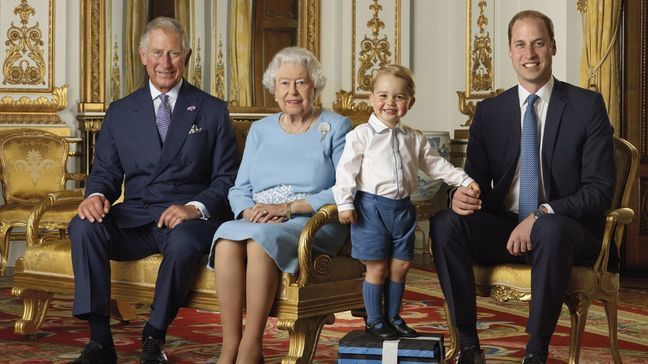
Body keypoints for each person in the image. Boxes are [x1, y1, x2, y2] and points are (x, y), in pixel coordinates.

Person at [429, 10, 616, 364]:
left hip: (567, 230)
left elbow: (599, 190)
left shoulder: (586, 106)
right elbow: (477, 182)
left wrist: (543, 212)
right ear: (510, 53)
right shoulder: (489, 112)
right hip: (506, 227)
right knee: (445, 223)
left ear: (553, 47)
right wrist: (461, 196)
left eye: (538, 43)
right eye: (521, 45)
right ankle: (468, 345)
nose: (530, 53)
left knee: (550, 227)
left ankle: (535, 352)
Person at [68, 17, 238, 364]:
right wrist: (96, 196)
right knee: (83, 226)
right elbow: (104, 173)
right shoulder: (119, 112)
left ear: (186, 56)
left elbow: (227, 180)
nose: (165, 62)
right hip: (136, 216)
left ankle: (154, 335)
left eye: (173, 53)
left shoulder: (212, 110)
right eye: (158, 53)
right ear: (143, 55)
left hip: (187, 220)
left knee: (185, 241)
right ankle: (100, 340)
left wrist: (194, 207)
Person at [208, 46, 352, 363]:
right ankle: (230, 343)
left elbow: (345, 188)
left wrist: (289, 208)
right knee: (226, 239)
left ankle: (251, 345)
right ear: (274, 90)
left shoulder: (336, 126)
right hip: (259, 219)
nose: (292, 91)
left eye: (301, 82)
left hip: (310, 223)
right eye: (284, 83)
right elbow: (239, 188)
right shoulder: (260, 130)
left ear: (315, 86)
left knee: (260, 243)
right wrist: (248, 211)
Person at [333, 64, 479, 340]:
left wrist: (462, 180)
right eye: (383, 96)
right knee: (376, 267)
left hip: (403, 210)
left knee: (400, 266)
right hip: (371, 209)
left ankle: (393, 317)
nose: (390, 103)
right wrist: (345, 204)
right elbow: (345, 172)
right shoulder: (360, 136)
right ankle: (374, 320)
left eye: (399, 97)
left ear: (410, 102)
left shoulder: (413, 138)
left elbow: (436, 165)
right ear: (371, 99)